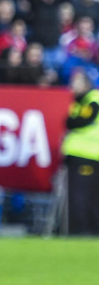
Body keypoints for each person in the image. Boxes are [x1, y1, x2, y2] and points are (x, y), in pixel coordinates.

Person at [62, 70, 99, 235]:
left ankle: (83, 232)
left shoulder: (93, 99)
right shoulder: (78, 102)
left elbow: (78, 121)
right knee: (81, 197)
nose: (72, 86)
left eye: (75, 82)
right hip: (80, 156)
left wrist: (71, 122)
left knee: (82, 197)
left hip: (88, 155)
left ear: (85, 84)